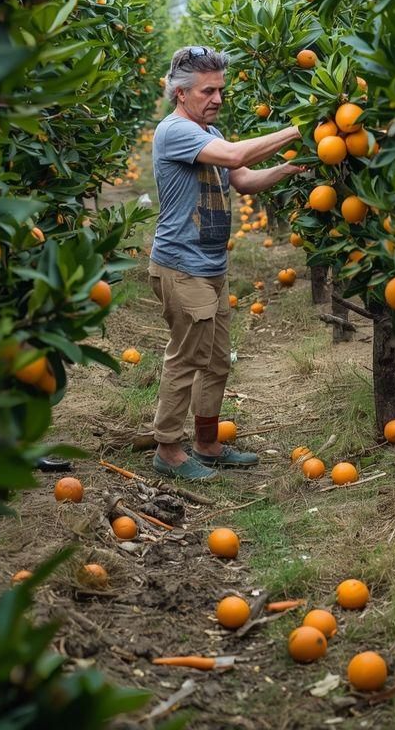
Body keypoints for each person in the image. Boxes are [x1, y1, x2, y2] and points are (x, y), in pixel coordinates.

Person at [147, 45, 303, 482]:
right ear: (181, 94)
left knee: (215, 361)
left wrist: (289, 169)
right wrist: (298, 129)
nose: (217, 98)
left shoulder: (209, 133)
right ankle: (167, 448)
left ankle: (207, 443)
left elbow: (245, 180)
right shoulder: (174, 132)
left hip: (211, 265)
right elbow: (237, 156)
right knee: (185, 358)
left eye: (220, 90)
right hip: (182, 267)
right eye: (207, 91)